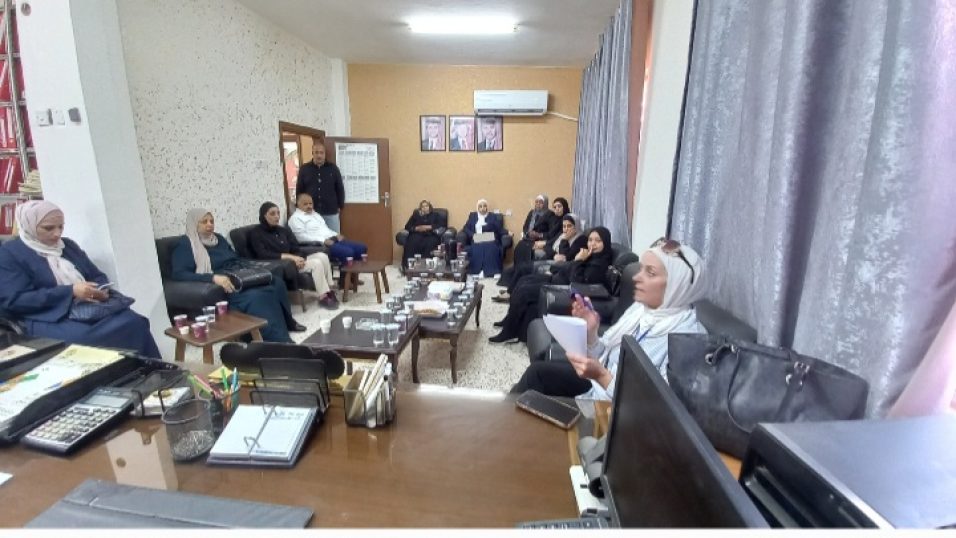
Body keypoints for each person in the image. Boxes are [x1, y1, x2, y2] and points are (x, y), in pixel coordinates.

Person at [512, 238, 707, 400]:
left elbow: (657, 408)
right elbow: (606, 356)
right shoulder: (642, 311)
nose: (637, 278)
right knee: (536, 374)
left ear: (677, 284)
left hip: (619, 414)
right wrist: (591, 333)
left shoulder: (689, 340)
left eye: (650, 273)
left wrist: (602, 376)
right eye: (641, 269)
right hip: (601, 389)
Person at [0, 201, 161, 359]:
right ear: (29, 226)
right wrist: (70, 292)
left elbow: (96, 275)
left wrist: (98, 289)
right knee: (84, 339)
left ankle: (153, 371)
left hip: (86, 307)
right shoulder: (9, 254)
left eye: (61, 227)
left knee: (133, 322)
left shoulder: (67, 246)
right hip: (46, 315)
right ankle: (111, 375)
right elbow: (16, 300)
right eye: (48, 228)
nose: (57, 234)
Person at [170, 208, 306, 343]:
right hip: (225, 280)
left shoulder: (218, 239)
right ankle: (276, 339)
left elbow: (234, 257)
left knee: (276, 282)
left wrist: (252, 268)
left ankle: (288, 323)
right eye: (204, 222)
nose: (209, 224)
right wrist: (212, 278)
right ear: (194, 223)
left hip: (239, 272)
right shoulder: (187, 244)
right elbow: (179, 273)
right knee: (258, 295)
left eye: (211, 221)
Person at [489, 227, 614, 344]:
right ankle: (509, 320)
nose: (592, 244)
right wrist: (559, 269)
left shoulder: (600, 264)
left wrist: (579, 261)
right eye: (590, 240)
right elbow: (568, 266)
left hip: (561, 288)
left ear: (606, 243)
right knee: (523, 280)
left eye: (598, 241)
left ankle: (508, 331)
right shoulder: (590, 256)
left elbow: (577, 283)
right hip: (556, 279)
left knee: (524, 291)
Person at [249, 202, 339, 310]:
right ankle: (323, 296)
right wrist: (291, 258)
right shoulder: (256, 233)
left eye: (278, 213)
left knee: (322, 256)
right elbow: (263, 254)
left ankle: (329, 289)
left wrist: (299, 258)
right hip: (282, 265)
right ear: (264, 216)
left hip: (295, 261)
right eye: (272, 214)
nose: (277, 216)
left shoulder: (283, 230)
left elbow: (295, 247)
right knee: (316, 263)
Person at [494, 212, 585, 302]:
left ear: (576, 226)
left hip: (556, 266)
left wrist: (564, 240)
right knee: (522, 266)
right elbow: (549, 245)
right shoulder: (562, 235)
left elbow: (565, 257)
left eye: (569, 226)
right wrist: (554, 253)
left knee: (523, 269)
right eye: (564, 226)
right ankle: (512, 291)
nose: (566, 229)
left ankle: (510, 294)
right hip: (551, 258)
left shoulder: (580, 239)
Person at [287, 193, 367, 265]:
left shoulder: (315, 214)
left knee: (361, 248)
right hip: (320, 246)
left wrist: (336, 234)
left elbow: (325, 229)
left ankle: (354, 275)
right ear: (298, 204)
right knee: (348, 252)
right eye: (305, 204)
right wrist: (323, 240)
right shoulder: (295, 219)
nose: (309, 206)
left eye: (310, 203)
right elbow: (300, 237)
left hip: (332, 240)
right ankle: (344, 276)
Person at [295, 141, 345, 232]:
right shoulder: (304, 169)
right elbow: (299, 189)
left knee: (334, 236)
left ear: (325, 154)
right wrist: (299, 206)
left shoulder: (333, 169)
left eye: (321, 153)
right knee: (315, 238)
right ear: (312, 153)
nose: (319, 155)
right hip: (311, 213)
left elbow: (340, 188)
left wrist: (340, 206)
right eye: (316, 152)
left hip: (331, 212)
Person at [460, 199, 505, 277]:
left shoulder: (492, 216)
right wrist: (472, 235)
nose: (482, 208)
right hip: (476, 237)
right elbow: (465, 228)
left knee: (491, 247)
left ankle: (494, 271)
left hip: (489, 237)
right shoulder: (473, 216)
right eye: (480, 206)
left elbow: (498, 228)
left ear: (487, 207)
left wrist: (507, 232)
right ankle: (479, 271)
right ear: (477, 208)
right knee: (478, 246)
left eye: (484, 206)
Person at [510, 194, 555, 269]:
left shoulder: (550, 214)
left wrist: (538, 234)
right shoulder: (532, 212)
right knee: (519, 247)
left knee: (529, 250)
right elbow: (525, 226)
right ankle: (518, 269)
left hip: (540, 240)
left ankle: (528, 269)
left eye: (541, 202)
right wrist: (528, 233)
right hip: (528, 238)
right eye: (536, 202)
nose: (538, 204)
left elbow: (552, 232)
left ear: (545, 203)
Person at [401, 200, 444, 271]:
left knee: (430, 243)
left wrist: (429, 227)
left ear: (430, 207)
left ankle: (426, 267)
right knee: (412, 242)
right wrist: (417, 228)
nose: (425, 208)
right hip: (417, 233)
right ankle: (408, 266)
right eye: (422, 207)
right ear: (420, 208)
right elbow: (407, 226)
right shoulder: (416, 215)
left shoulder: (435, 215)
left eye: (426, 206)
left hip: (431, 234)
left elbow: (441, 225)